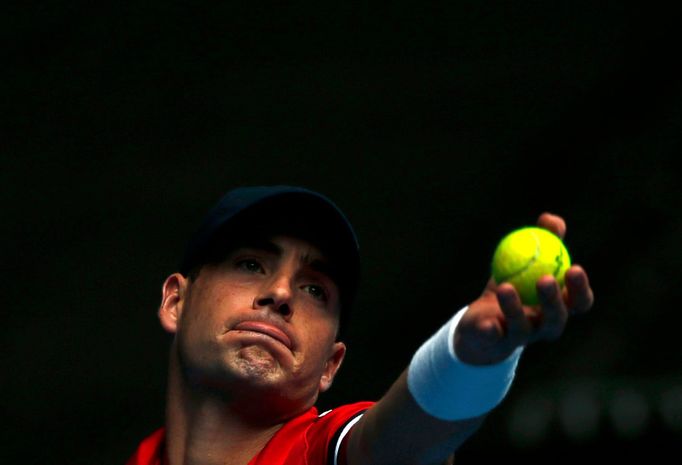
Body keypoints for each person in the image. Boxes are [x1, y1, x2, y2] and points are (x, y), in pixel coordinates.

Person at [126, 185, 594, 465]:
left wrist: (472, 356)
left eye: (315, 290)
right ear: (175, 301)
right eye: (251, 264)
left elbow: (402, 442)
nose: (283, 292)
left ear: (330, 365)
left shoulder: (325, 450)